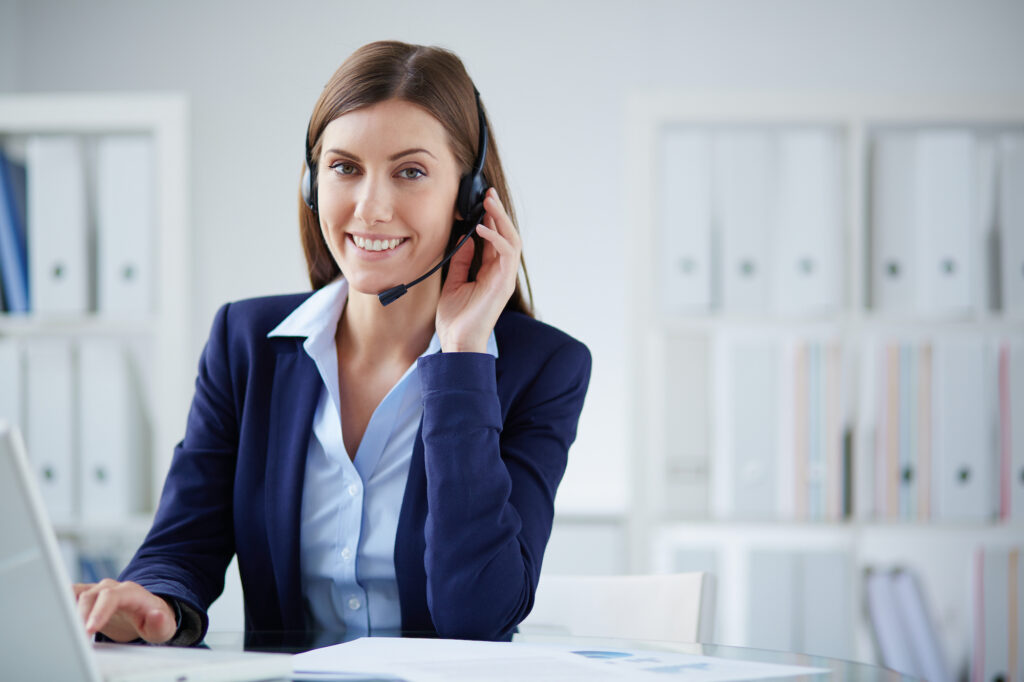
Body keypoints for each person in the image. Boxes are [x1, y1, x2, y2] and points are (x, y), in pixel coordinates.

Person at [72, 40, 591, 646]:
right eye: (345, 168)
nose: (370, 208)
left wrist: (464, 357)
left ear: (469, 197)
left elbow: (479, 614)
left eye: (411, 172)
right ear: (311, 184)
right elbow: (181, 546)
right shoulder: (245, 344)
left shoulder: (543, 367)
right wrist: (153, 600)